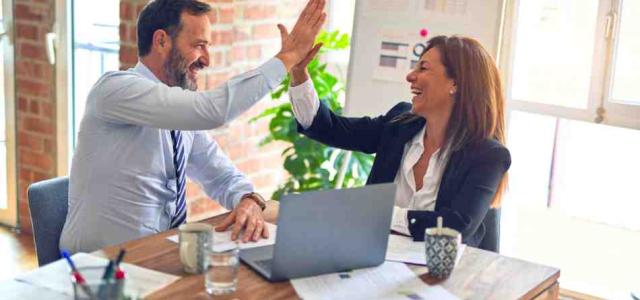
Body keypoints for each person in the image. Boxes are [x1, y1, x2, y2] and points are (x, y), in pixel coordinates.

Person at [60, 0, 326, 253]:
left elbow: (221, 176)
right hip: (98, 266)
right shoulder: (115, 90)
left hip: (157, 255)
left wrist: (248, 200)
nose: (207, 60)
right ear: (161, 40)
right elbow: (213, 110)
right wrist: (287, 57)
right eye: (199, 46)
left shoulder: (180, 117)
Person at [288, 35, 511, 249]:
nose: (410, 76)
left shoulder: (488, 155)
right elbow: (331, 128)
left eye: (423, 68)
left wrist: (378, 212)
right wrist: (299, 73)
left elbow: (456, 225)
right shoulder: (400, 124)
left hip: (444, 276)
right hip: (374, 260)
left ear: (455, 84)